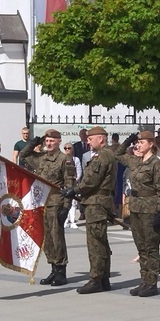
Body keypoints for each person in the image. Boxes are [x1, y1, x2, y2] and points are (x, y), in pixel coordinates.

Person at [62, 126, 118, 294]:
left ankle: (96, 279)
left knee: (95, 243)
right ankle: (104, 278)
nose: (87, 141)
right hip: (99, 202)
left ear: (100, 139)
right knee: (101, 241)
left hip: (96, 203)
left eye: (90, 138)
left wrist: (74, 190)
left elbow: (91, 180)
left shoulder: (102, 156)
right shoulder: (106, 155)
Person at [115, 131, 160, 297]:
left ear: (151, 144)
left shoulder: (156, 164)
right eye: (137, 143)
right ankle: (144, 280)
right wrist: (127, 141)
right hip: (136, 207)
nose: (138, 145)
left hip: (150, 208)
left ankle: (152, 282)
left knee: (151, 246)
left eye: (141, 142)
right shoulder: (135, 161)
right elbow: (117, 154)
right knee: (141, 246)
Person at [21, 130, 76, 286]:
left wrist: (66, 207)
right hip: (42, 204)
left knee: (57, 237)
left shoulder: (65, 160)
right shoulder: (42, 158)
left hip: (56, 203)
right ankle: (53, 269)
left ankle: (61, 272)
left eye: (52, 140)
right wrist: (32, 144)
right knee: (47, 239)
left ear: (59, 141)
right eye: (47, 141)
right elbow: (23, 156)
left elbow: (69, 185)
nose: (49, 143)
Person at [62, 143, 83, 229]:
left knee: (73, 203)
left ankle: (72, 221)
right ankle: (65, 220)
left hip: (73, 184)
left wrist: (75, 180)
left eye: (69, 148)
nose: (67, 150)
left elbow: (79, 171)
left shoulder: (76, 159)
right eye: (65, 148)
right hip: (64, 184)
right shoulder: (62, 159)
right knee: (64, 203)